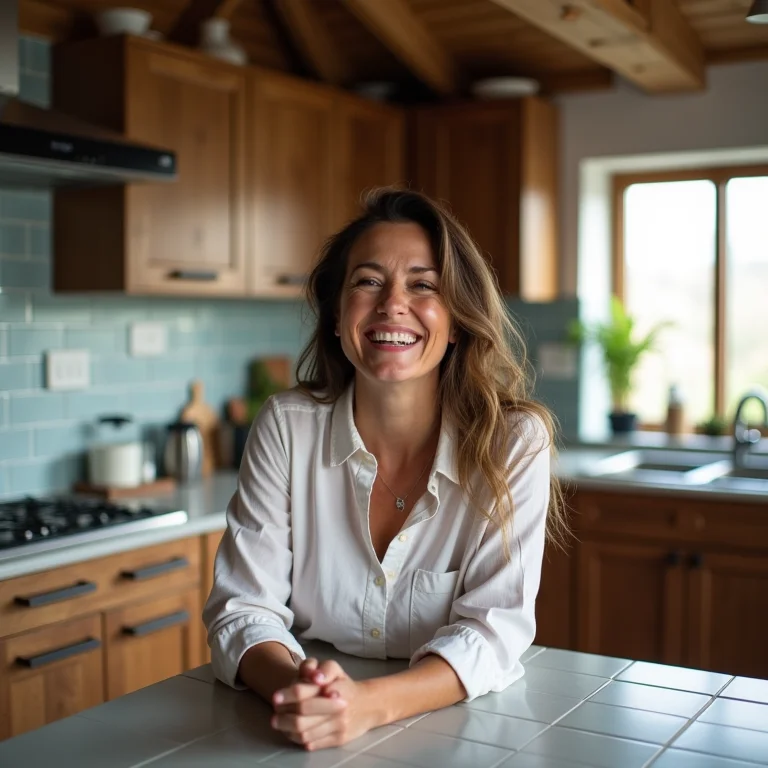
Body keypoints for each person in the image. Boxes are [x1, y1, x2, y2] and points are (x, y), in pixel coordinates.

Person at [203, 187, 568, 751]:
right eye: (368, 281)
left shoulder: (514, 443)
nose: (392, 304)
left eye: (423, 285)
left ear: (458, 322)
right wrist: (310, 695)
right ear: (335, 314)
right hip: (300, 719)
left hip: (462, 733)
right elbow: (243, 608)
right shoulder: (286, 425)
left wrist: (368, 706)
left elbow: (493, 632)